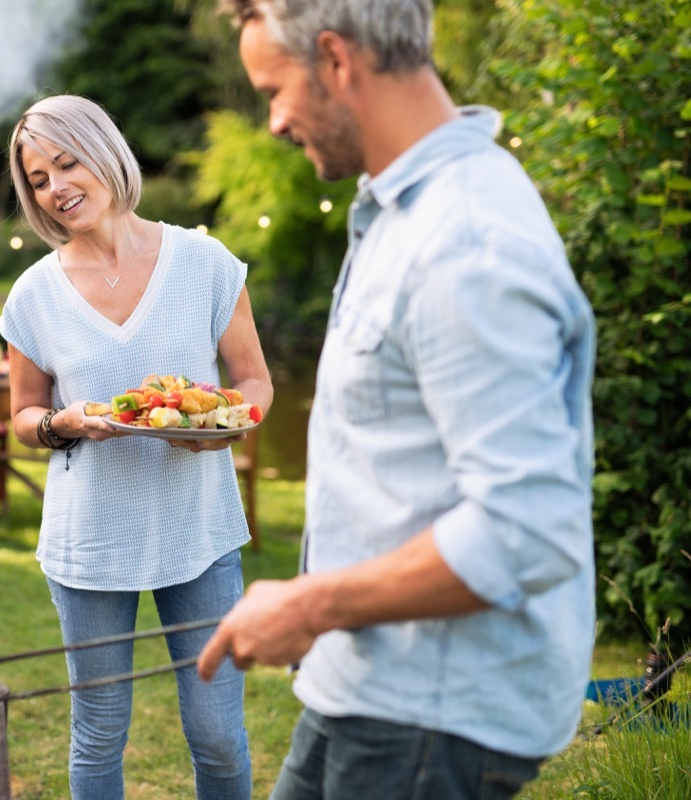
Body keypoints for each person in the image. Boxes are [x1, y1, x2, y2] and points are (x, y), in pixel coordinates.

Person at [197, 2, 597, 799]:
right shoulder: (400, 212)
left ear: (338, 60)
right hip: (365, 680)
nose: (272, 121)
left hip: (432, 715)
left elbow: (527, 531)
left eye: (274, 90)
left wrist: (311, 602)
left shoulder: (465, 240)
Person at [0, 93, 273, 799]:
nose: (56, 186)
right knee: (99, 732)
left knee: (217, 732)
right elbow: (24, 415)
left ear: (105, 154)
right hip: (89, 543)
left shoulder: (205, 263)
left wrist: (223, 429)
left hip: (198, 530)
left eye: (66, 162)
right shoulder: (33, 295)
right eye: (37, 178)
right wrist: (65, 423)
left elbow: (253, 382)